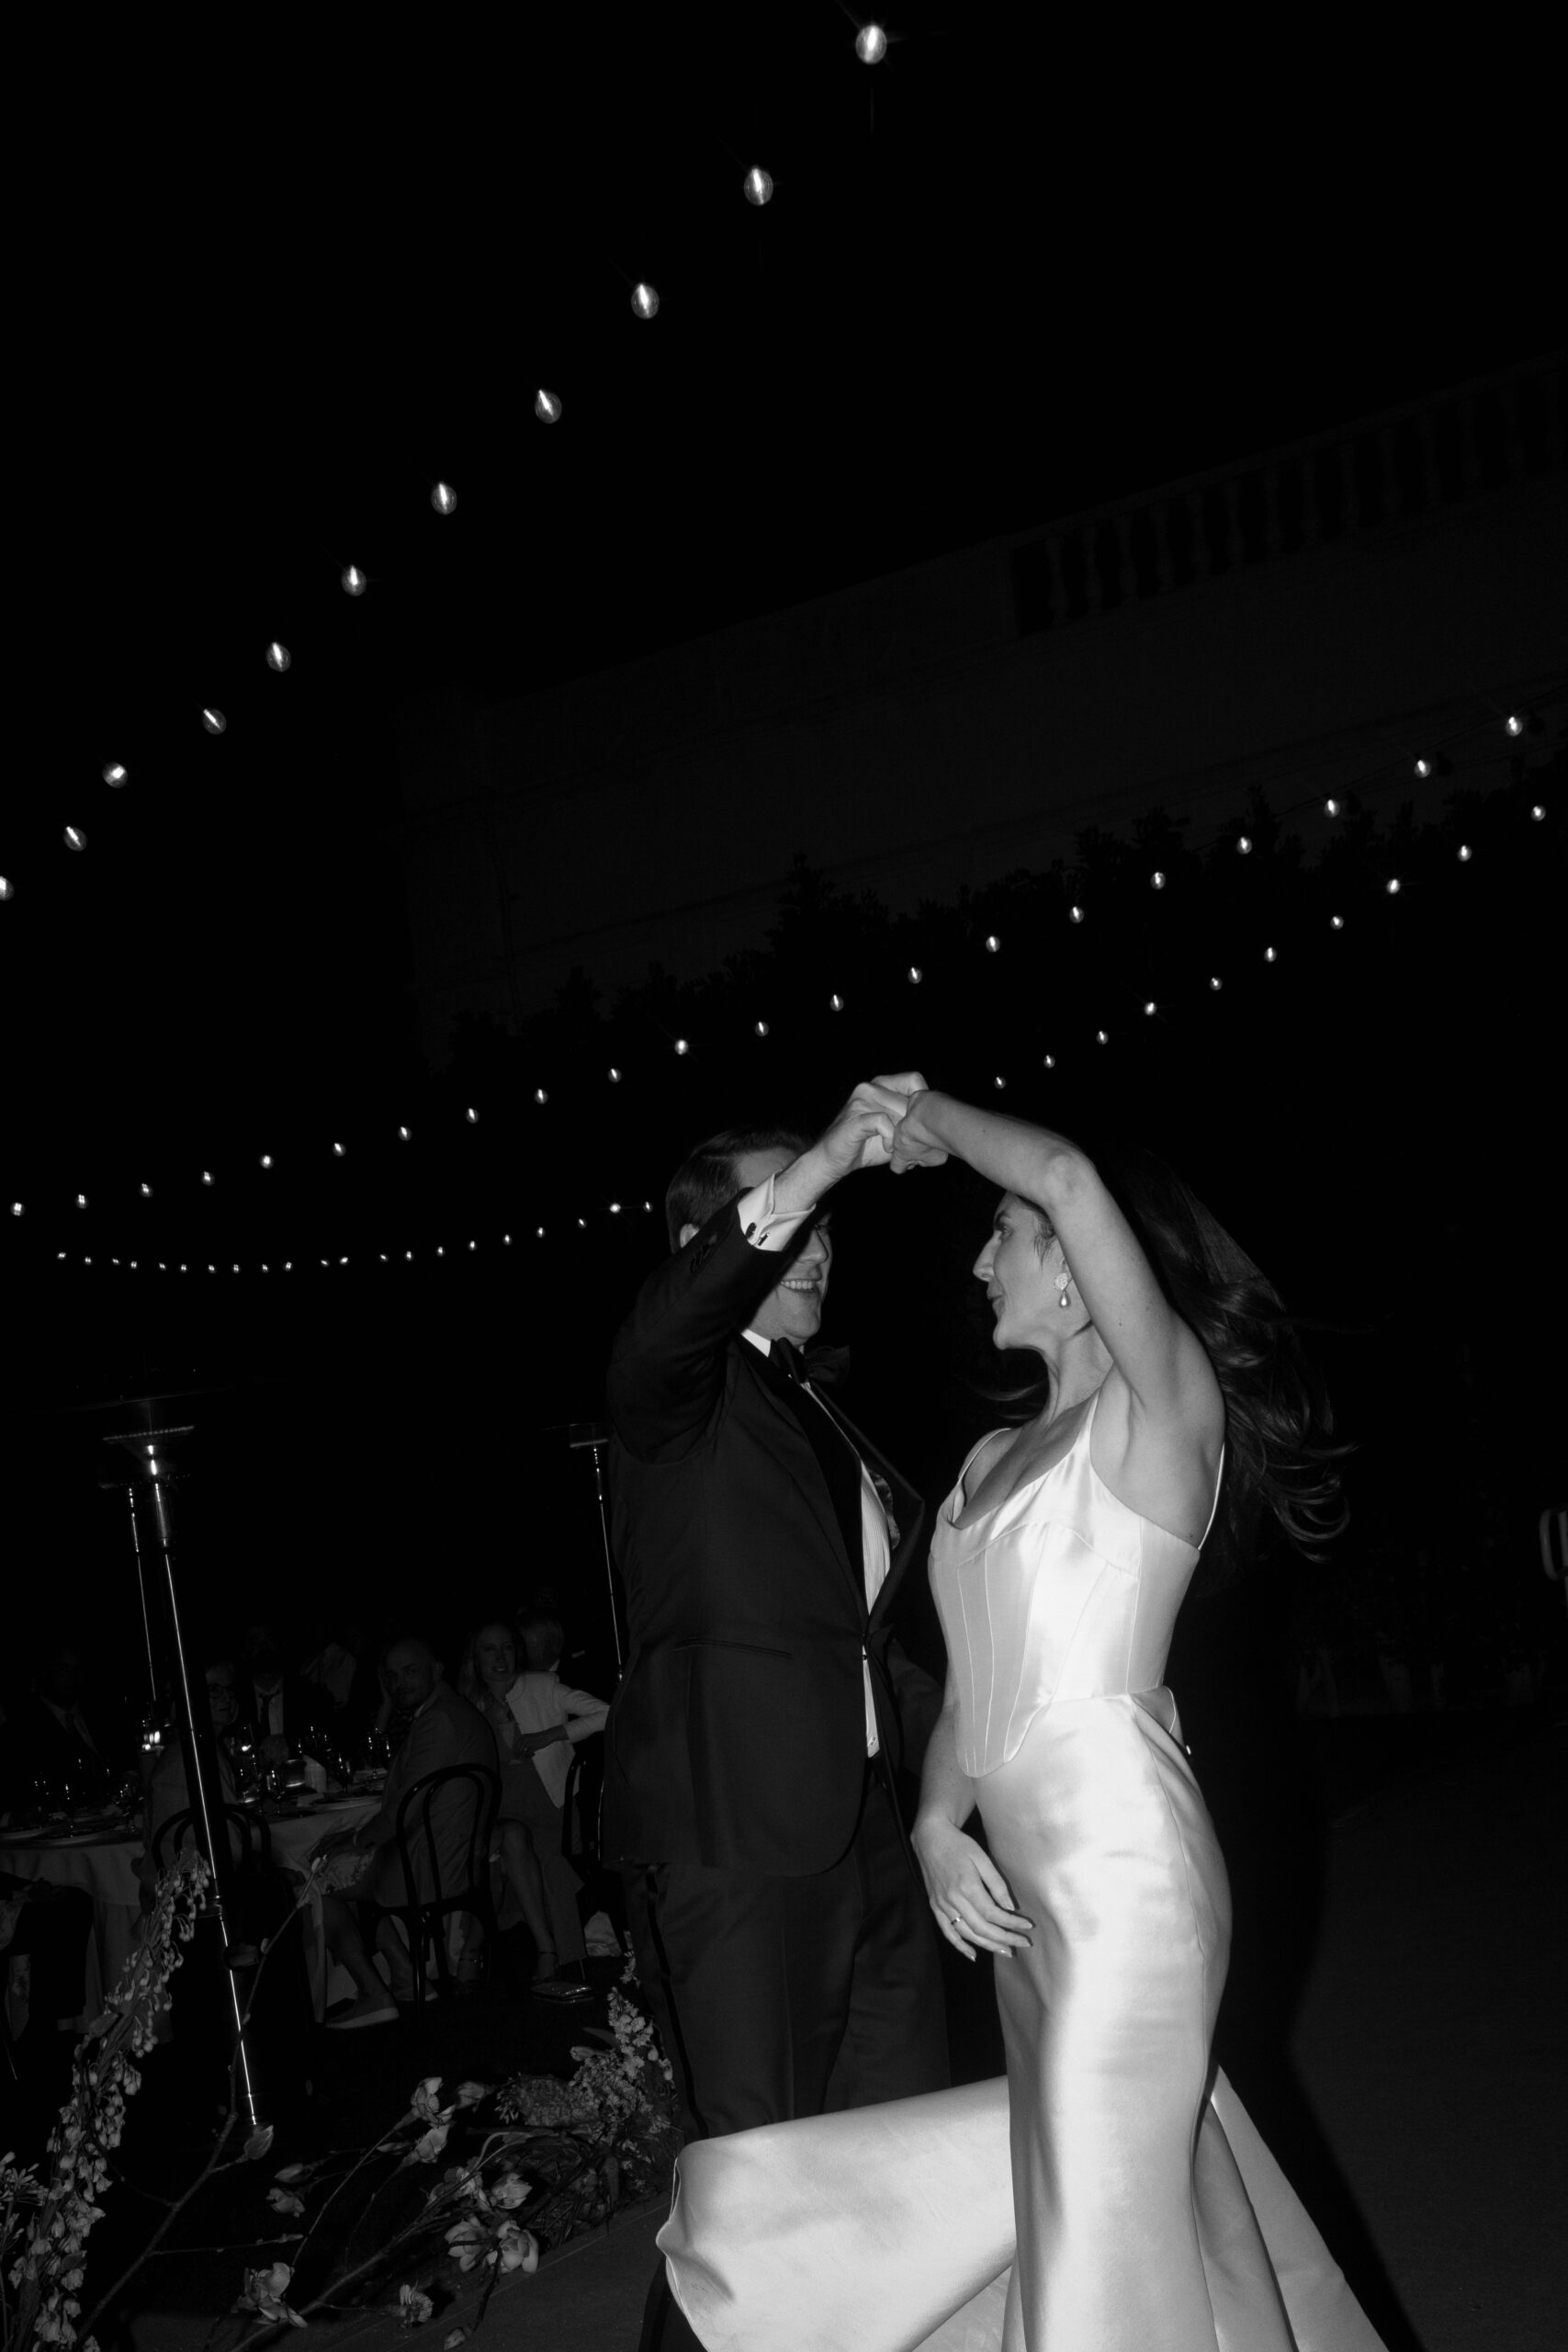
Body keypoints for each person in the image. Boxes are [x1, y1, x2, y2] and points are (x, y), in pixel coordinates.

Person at [660, 1087, 1386, 2351]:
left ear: (1078, 1271)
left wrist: (915, 1112)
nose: (979, 1254)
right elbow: (977, 1685)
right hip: (1014, 1899)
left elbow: (1058, 1168)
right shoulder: (988, 1463)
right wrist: (938, 1822)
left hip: (1122, 1878)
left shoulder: (1162, 1417)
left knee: (1101, 2210)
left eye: (1006, 1232)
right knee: (1091, 2194)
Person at [606, 1081, 951, 2352]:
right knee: (760, 2183)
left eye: (827, 1224)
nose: (819, 1248)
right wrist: (812, 1168)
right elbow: (663, 1330)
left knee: (893, 2162)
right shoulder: (670, 1399)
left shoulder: (812, 1400)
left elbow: (864, 1642)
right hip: (739, 1838)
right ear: (718, 1240)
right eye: (794, 1222)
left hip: (866, 1832)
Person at [314, 1635, 494, 2029]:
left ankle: (377, 1990)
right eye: (392, 1676)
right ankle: (403, 1976)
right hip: (444, 1852)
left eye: (410, 1671)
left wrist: (355, 1841)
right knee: (335, 1858)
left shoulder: (440, 1720)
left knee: (314, 1879)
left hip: (430, 1864)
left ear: (437, 1671)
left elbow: (403, 1812)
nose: (400, 1683)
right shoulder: (445, 1711)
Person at [456, 1621, 596, 1997]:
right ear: (476, 1659)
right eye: (489, 1649)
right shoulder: (467, 1707)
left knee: (547, 1859)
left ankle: (558, 1957)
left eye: (507, 1648)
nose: (500, 1657)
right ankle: (524, 1951)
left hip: (549, 1804)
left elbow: (606, 1712)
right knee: (491, 1851)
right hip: (498, 1809)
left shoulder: (540, 1687)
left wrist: (549, 1735)